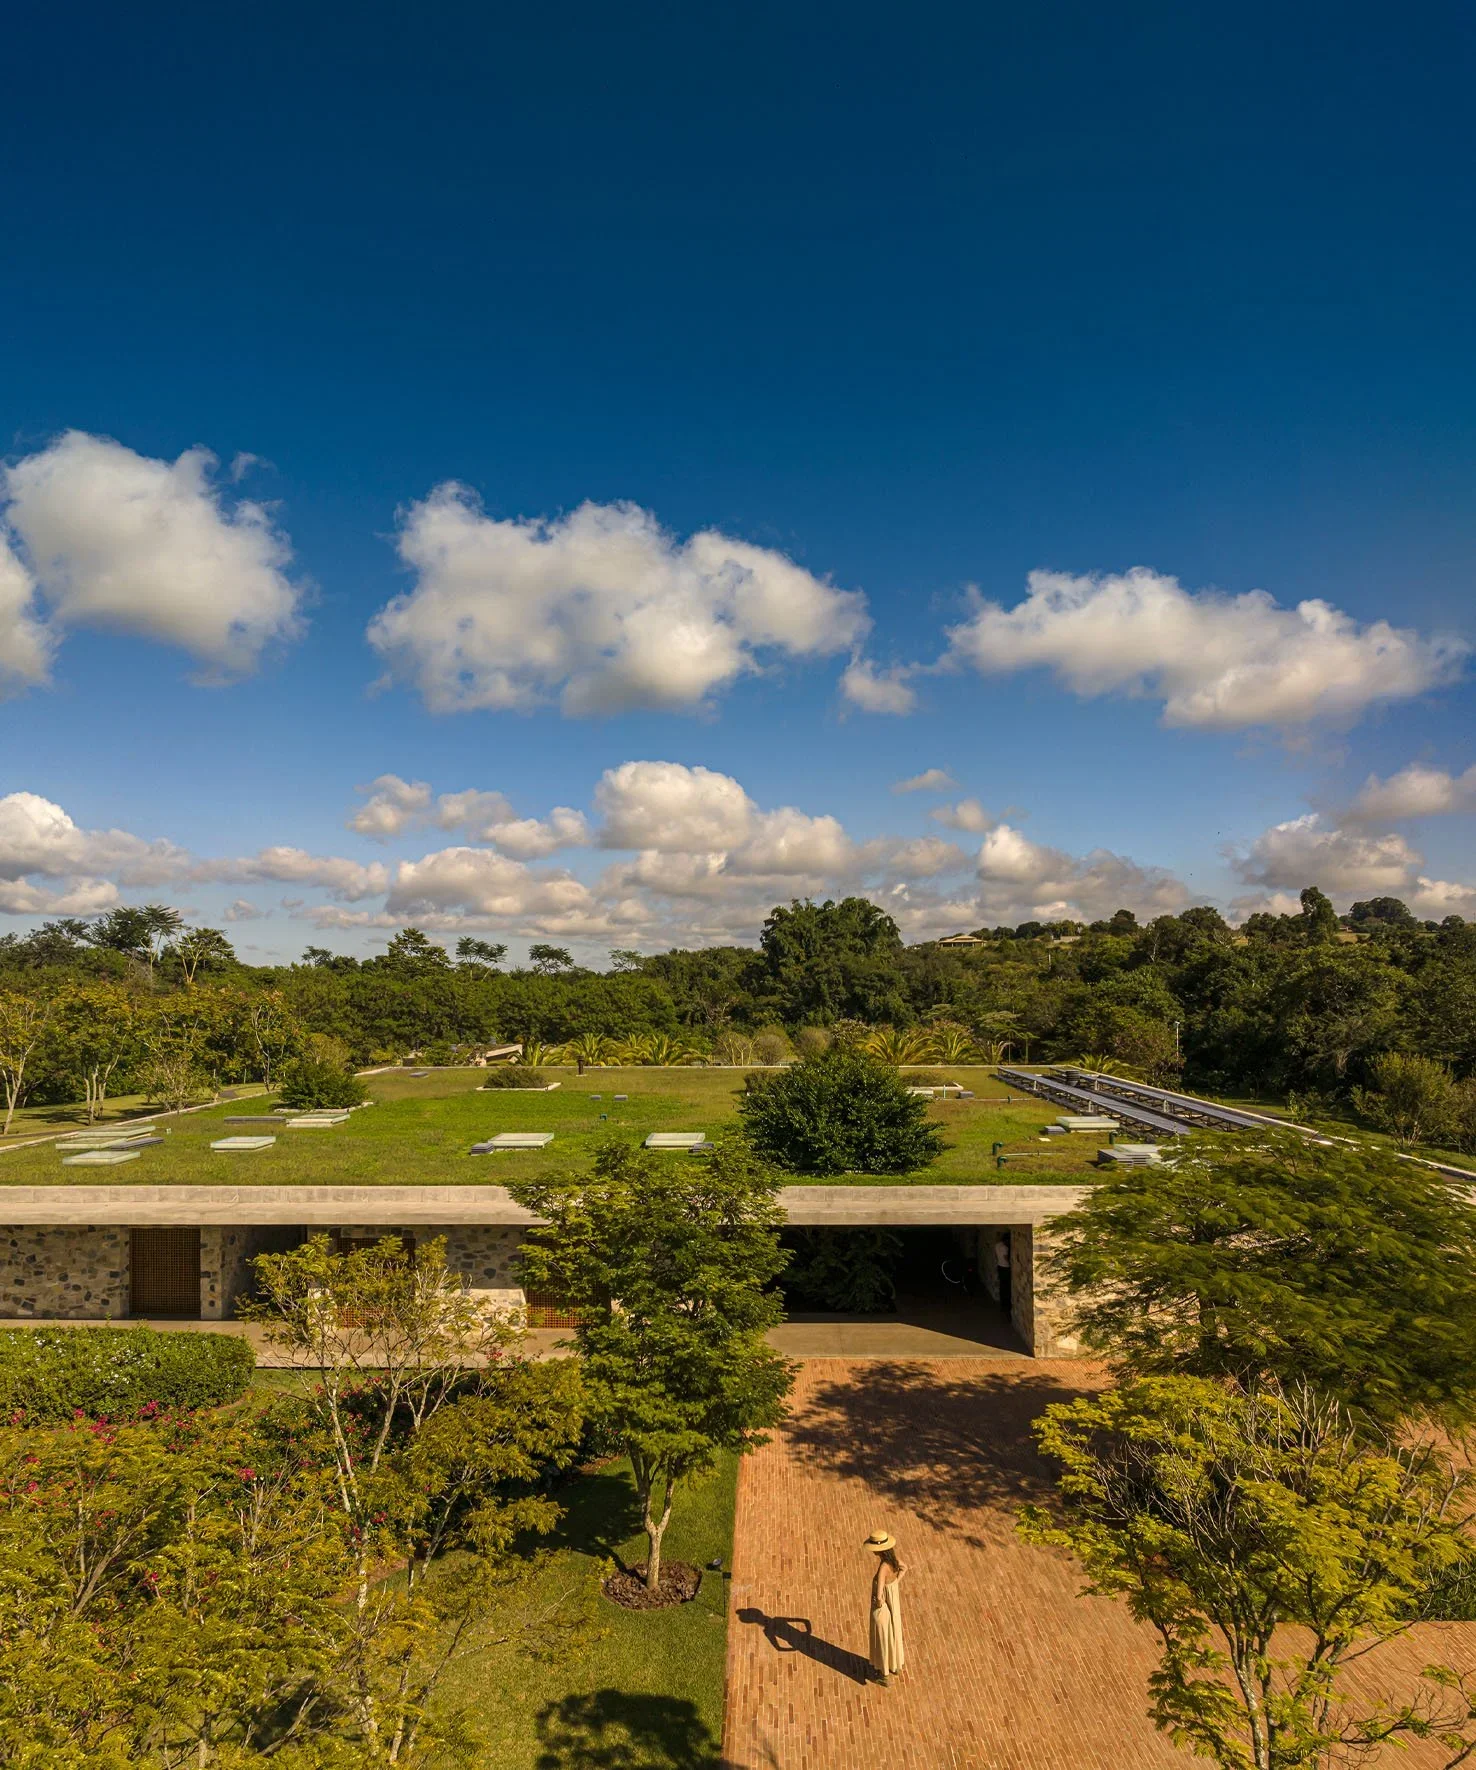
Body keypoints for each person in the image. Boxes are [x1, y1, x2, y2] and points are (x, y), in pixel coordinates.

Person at [864, 1530, 906, 1685]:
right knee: (893, 1633)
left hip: (883, 1608)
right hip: (893, 1603)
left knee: (882, 1637)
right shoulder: (894, 1561)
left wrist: (878, 1602)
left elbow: (880, 1594)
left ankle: (884, 1674)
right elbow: (905, 1567)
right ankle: (895, 1665)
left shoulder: (883, 1568)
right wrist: (895, 1584)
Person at [994, 1232, 1011, 1314]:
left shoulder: (997, 1245)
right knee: (1006, 1286)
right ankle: (1006, 1303)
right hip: (1005, 1267)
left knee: (1002, 1285)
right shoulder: (1005, 1247)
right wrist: (1011, 1263)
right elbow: (1006, 1258)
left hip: (999, 1265)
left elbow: (996, 1255)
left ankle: (1002, 1302)